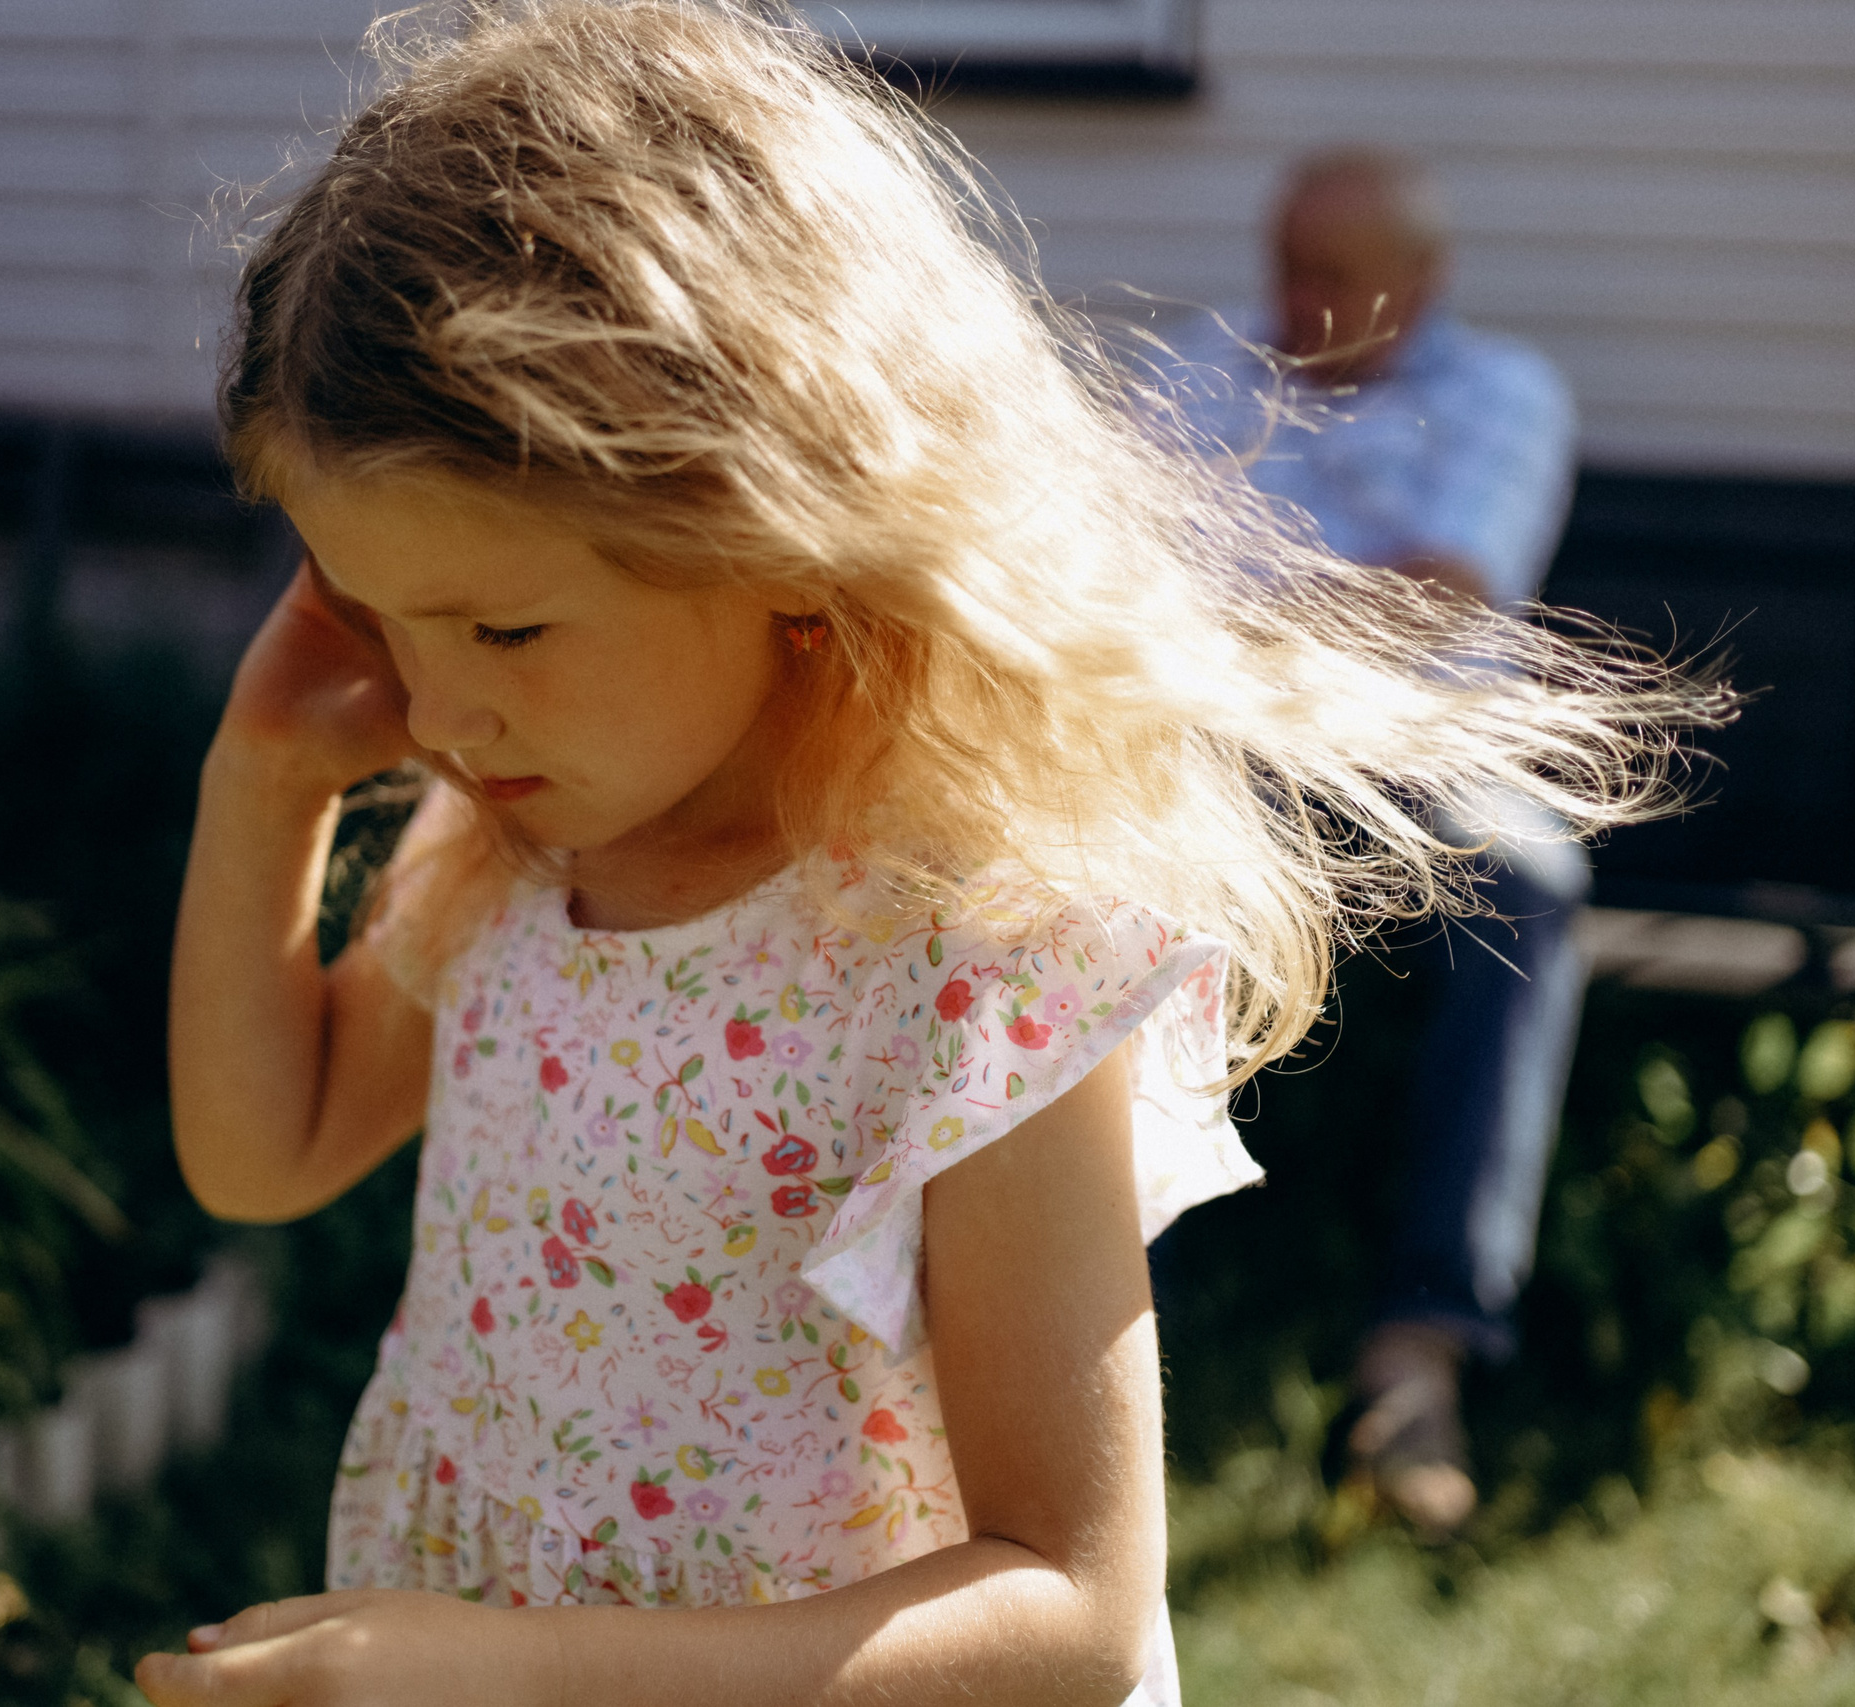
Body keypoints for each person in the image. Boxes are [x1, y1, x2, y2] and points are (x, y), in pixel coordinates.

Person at [143, 13, 1689, 1705]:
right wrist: (263, 776)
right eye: (377, 612)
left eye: (503, 621)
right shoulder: (522, 840)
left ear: (782, 528)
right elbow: (262, 1152)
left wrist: (526, 1672)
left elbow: (1075, 1608)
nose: (432, 709)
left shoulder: (969, 944)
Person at [1158, 148, 1587, 1538]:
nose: (1294, 298)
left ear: (1421, 284)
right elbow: (1103, 572)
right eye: (1285, 262)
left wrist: (1234, 604)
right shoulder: (1200, 369)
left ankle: (1422, 1348)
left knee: (1530, 883)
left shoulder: (1502, 393)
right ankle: (1080, 1297)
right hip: (1222, 763)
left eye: (1331, 275)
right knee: (1069, 876)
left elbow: (1446, 598)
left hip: (1431, 763)